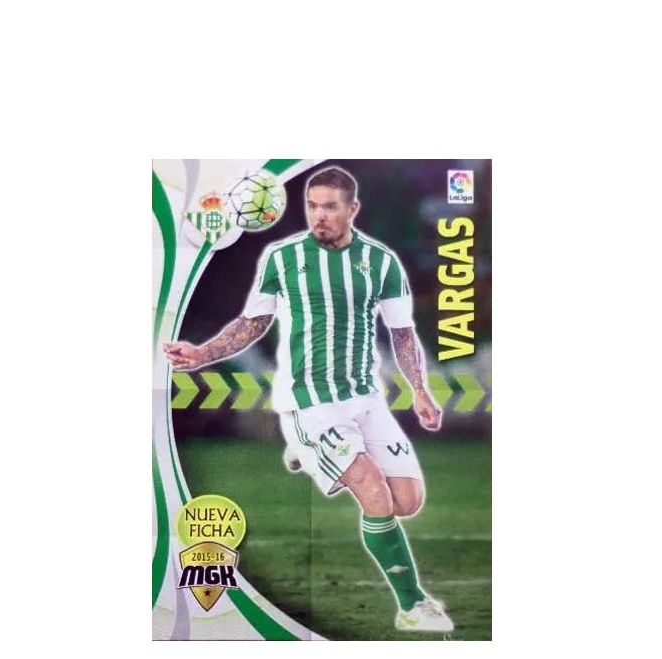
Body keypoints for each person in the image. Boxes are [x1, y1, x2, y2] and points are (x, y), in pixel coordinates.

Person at [163, 166, 454, 633]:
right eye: (312, 205)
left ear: (352, 209)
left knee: (408, 500)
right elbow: (252, 323)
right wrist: (202, 353)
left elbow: (403, 334)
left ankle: (308, 452)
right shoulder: (282, 258)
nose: (319, 215)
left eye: (330, 207)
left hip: (366, 398)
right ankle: (412, 605)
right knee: (374, 492)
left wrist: (419, 389)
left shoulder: (380, 262)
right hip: (310, 402)